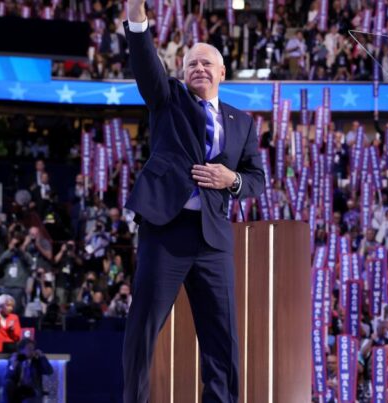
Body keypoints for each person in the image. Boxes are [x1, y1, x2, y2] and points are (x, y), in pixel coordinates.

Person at [121, 0, 266, 401]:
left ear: (222, 72)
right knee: (142, 330)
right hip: (165, 233)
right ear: (182, 74)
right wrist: (137, 15)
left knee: (223, 339)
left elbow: (257, 179)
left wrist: (230, 178)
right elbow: (144, 59)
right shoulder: (168, 100)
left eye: (207, 64)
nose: (199, 69)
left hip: (213, 240)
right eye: (192, 65)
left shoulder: (243, 121)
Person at [1, 338, 53, 403]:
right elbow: (7, 377)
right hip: (18, 389)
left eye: (33, 349)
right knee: (7, 383)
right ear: (21, 350)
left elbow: (49, 371)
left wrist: (42, 356)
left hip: (32, 390)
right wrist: (13, 366)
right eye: (29, 348)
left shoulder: (36, 361)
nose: (32, 351)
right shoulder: (16, 360)